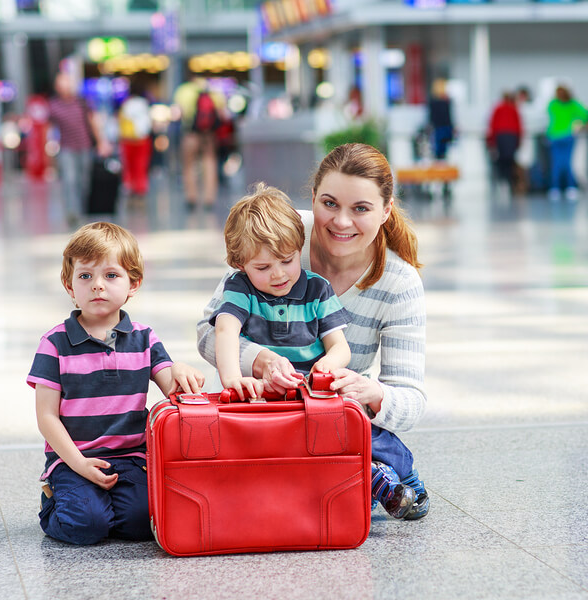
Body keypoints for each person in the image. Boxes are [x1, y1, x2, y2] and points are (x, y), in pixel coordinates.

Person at [197, 143, 430, 521]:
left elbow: (411, 401)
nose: (340, 222)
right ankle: (364, 480)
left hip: (331, 408)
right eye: (330, 203)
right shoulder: (280, 234)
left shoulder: (399, 283)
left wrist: (373, 393)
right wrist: (259, 361)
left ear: (386, 210)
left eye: (361, 208)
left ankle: (374, 478)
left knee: (356, 445)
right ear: (313, 198)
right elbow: (209, 331)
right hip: (271, 406)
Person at [27, 222, 205, 545]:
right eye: (85, 276)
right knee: (86, 526)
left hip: (131, 459)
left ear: (133, 283)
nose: (97, 286)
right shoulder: (54, 343)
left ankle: (100, 506)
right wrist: (80, 464)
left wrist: (178, 368)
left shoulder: (145, 339)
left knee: (142, 524)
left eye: (111, 276)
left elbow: (171, 388)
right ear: (69, 286)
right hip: (73, 459)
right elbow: (46, 417)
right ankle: (55, 502)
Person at [210, 182, 351, 400]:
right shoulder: (241, 287)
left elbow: (340, 346)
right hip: (258, 396)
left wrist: (327, 365)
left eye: (287, 261)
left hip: (309, 396)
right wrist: (232, 378)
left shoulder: (318, 289)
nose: (278, 274)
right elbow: (225, 331)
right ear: (240, 264)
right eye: (263, 267)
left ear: (300, 248)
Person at [48, 71, 111, 226]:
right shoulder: (54, 105)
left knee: (83, 181)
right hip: (66, 148)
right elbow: (48, 127)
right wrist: (48, 146)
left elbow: (92, 122)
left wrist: (101, 142)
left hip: (85, 147)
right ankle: (72, 212)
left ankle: (83, 210)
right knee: (69, 180)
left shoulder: (82, 103)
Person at [172, 77, 224, 211]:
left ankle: (191, 198)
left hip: (190, 134)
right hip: (209, 135)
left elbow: (177, 114)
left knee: (189, 165)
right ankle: (209, 198)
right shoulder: (214, 92)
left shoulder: (184, 90)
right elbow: (222, 115)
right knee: (209, 162)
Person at [546, 84, 588, 202]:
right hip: (567, 135)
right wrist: (576, 122)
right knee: (567, 163)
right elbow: (585, 114)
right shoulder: (572, 104)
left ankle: (555, 188)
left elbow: (549, 116)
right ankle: (570, 188)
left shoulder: (553, 104)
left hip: (555, 136)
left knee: (556, 164)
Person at [117, 79, 153, 203]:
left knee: (129, 165)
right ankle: (140, 188)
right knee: (141, 164)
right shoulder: (145, 104)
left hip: (127, 140)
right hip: (142, 140)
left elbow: (121, 121)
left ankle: (129, 186)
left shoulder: (126, 104)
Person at [487, 90, 523, 197]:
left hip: (501, 136)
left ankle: (503, 182)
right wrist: (519, 141)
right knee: (510, 160)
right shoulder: (514, 108)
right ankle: (509, 182)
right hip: (511, 136)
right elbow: (519, 126)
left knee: (502, 160)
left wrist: (491, 141)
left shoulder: (498, 108)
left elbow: (493, 125)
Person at [428, 78, 454, 161]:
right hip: (444, 127)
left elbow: (431, 116)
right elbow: (449, 116)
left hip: (438, 127)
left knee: (438, 149)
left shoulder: (433, 101)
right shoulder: (446, 101)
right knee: (443, 149)